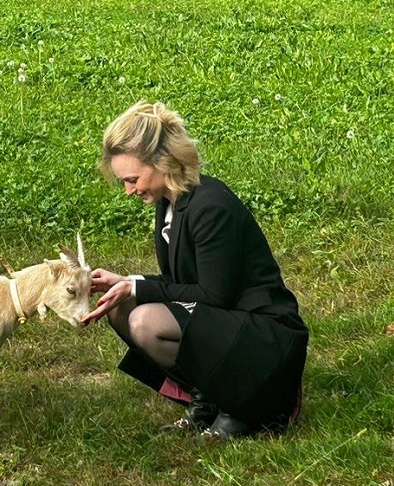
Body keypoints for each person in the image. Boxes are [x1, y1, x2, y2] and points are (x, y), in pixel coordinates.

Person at [82, 101, 308, 439]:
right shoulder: (170, 203)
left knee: (145, 321)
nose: (129, 190)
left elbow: (215, 294)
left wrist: (137, 286)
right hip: (227, 322)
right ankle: (210, 399)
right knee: (121, 309)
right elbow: (184, 284)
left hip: (266, 335)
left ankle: (247, 407)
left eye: (132, 179)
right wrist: (128, 284)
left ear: (162, 161)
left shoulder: (210, 205)